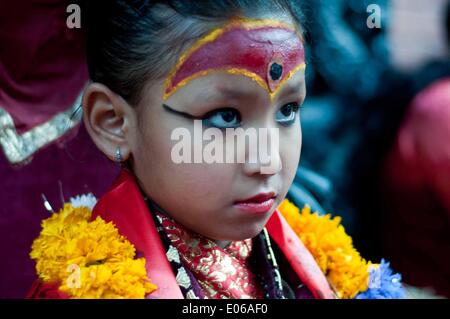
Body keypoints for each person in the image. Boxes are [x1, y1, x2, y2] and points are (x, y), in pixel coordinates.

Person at [27, 0, 403, 299]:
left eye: (288, 110)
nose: (268, 160)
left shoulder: (321, 263)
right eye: (225, 117)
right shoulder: (83, 287)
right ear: (114, 122)